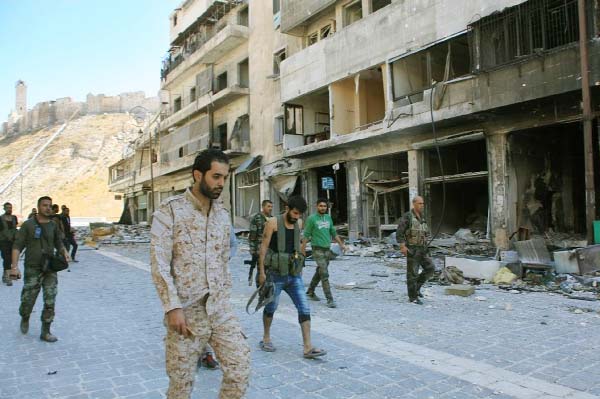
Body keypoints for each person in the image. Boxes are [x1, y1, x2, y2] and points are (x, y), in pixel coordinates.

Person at [150, 149, 249, 399]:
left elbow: (224, 258)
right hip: (186, 312)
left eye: (224, 178)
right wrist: (172, 307)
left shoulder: (222, 215)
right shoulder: (170, 211)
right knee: (180, 385)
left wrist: (225, 294)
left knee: (239, 372)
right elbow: (159, 263)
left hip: (219, 310)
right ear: (197, 175)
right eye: (216, 177)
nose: (221, 184)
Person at [258, 195, 326, 359]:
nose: (297, 217)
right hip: (275, 275)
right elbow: (264, 248)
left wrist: (300, 266)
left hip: (294, 275)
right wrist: (261, 272)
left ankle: (307, 347)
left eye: (300, 214)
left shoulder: (299, 224)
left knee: (304, 308)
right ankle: (266, 337)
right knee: (271, 307)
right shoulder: (272, 223)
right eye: (295, 213)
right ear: (287, 208)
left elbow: (299, 246)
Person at [11, 196, 70, 341]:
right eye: (44, 205)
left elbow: (58, 242)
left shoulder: (53, 225)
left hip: (50, 269)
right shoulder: (28, 225)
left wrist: (64, 252)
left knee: (50, 300)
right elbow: (17, 246)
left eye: (50, 205)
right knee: (28, 300)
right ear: (38, 207)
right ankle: (25, 317)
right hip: (33, 269)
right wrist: (14, 267)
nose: (48, 208)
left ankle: (46, 331)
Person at [301, 198, 346, 308]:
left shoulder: (328, 218)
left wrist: (341, 244)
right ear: (317, 206)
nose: (322, 208)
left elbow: (333, 233)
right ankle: (330, 299)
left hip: (327, 250)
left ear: (327, 207)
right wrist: (302, 249)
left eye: (324, 206)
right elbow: (306, 235)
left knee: (320, 271)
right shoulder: (311, 219)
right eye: (320, 206)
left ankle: (310, 291)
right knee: (324, 274)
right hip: (317, 250)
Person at [396, 195, 435, 305]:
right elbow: (399, 232)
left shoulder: (422, 217)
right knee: (412, 274)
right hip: (412, 249)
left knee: (430, 268)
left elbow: (425, 232)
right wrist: (402, 246)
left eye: (423, 203)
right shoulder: (408, 216)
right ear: (414, 204)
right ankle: (412, 297)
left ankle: (417, 288)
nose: (422, 205)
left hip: (422, 249)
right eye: (419, 203)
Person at [248, 200, 273, 286]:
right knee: (260, 270)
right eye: (268, 206)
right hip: (260, 248)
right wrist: (252, 250)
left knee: (270, 270)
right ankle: (260, 289)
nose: (270, 208)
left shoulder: (272, 219)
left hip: (271, 249)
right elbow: (252, 236)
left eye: (271, 207)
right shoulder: (257, 218)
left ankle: (268, 289)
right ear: (263, 207)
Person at [1, 202, 18, 286]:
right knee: (6, 258)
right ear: (4, 208)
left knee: (11, 259)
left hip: (13, 241)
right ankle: (8, 277)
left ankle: (5, 274)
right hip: (4, 241)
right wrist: (7, 236)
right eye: (7, 207)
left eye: (10, 207)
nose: (9, 209)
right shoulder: (1, 219)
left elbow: (15, 228)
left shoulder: (14, 218)